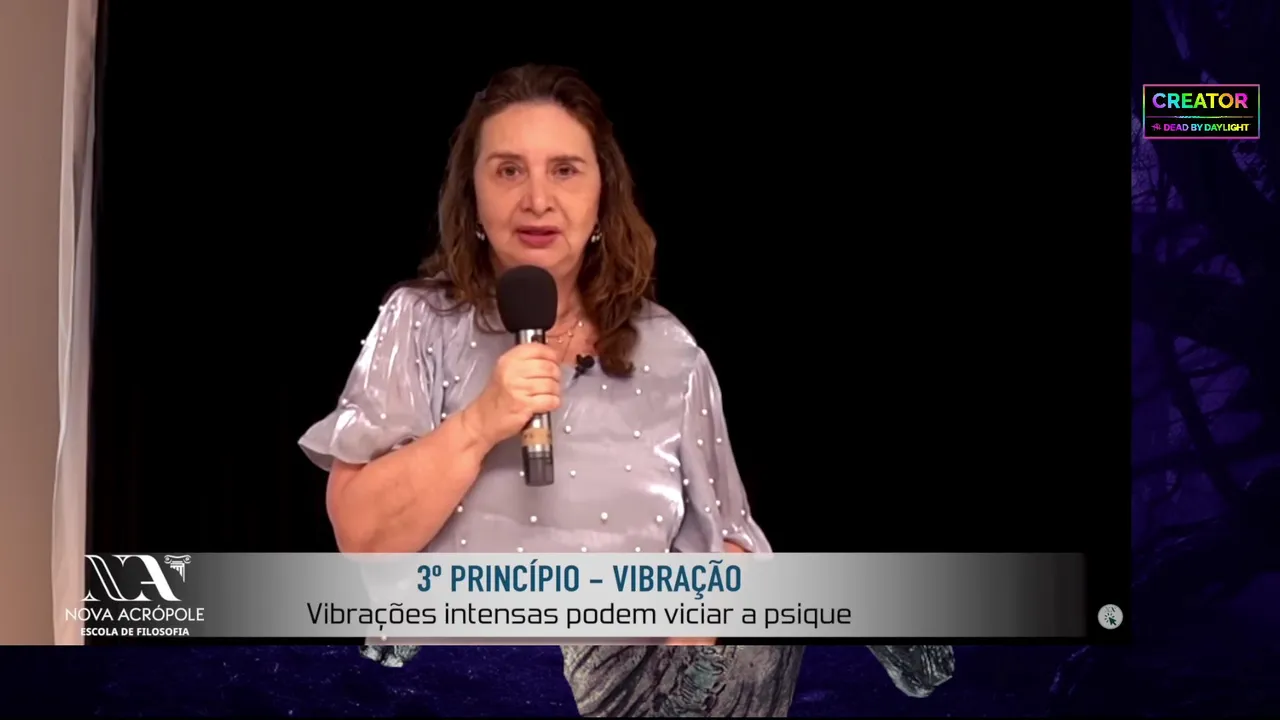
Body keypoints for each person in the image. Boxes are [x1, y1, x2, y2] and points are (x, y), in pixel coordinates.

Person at [298, 64, 951, 717]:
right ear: (473, 197)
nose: (536, 199)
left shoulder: (669, 352)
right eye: (508, 170)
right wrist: (479, 423)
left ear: (602, 198)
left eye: (564, 170)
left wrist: (703, 619)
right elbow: (361, 536)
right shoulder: (420, 322)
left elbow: (728, 541)